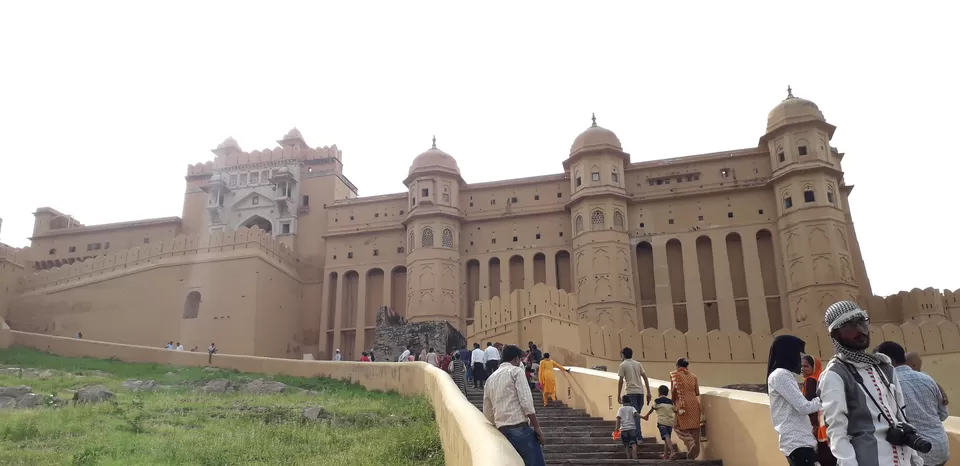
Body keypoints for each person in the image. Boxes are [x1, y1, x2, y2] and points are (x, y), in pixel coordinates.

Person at [818, 301, 922, 466]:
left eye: (862, 323)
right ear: (835, 335)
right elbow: (836, 432)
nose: (860, 330)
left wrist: (915, 459)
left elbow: (901, 415)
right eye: (850, 326)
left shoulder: (884, 367)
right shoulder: (835, 374)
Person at [876, 341, 949, 466]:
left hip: (916, 454)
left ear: (889, 361)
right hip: (941, 448)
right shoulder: (928, 379)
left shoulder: (887, 385)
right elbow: (943, 415)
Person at [482, 344, 546, 466]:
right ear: (516, 359)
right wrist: (537, 428)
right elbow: (526, 402)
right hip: (520, 429)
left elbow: (487, 411)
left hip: (502, 432)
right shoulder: (516, 371)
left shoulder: (490, 379)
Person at [767, 335, 823, 466]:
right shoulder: (781, 375)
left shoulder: (781, 375)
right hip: (797, 442)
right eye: (797, 354)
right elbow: (804, 407)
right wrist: (824, 399)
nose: (799, 358)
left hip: (798, 441)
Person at [801, 354, 836, 466]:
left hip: (816, 424)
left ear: (814, 367)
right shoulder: (819, 379)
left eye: (806, 366)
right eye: (801, 366)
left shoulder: (810, 381)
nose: (802, 369)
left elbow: (808, 404)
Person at [670, 357, 702, 460]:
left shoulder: (675, 375)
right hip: (694, 403)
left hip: (682, 404)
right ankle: (692, 454)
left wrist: (673, 401)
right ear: (687, 366)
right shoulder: (693, 376)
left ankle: (690, 441)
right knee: (694, 429)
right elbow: (697, 392)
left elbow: (674, 389)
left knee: (677, 426)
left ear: (678, 366)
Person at [616, 347, 652, 424]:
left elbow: (621, 381)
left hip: (631, 392)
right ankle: (637, 434)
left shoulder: (623, 365)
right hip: (640, 392)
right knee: (636, 414)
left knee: (635, 415)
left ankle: (638, 435)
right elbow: (645, 378)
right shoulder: (638, 364)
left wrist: (618, 395)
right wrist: (648, 392)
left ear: (623, 355)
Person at [642, 385, 678, 460]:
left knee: (666, 437)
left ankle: (672, 452)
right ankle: (665, 455)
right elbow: (675, 410)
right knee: (667, 439)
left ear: (659, 392)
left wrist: (646, 415)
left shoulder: (657, 401)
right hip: (670, 422)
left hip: (662, 422)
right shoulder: (671, 402)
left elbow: (652, 409)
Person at [615, 394, 641, 460]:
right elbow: (636, 414)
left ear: (622, 402)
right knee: (634, 444)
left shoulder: (620, 409)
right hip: (632, 429)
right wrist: (643, 417)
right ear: (629, 401)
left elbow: (618, 419)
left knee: (626, 445)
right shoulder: (632, 408)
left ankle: (628, 458)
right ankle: (635, 458)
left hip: (623, 430)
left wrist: (617, 429)